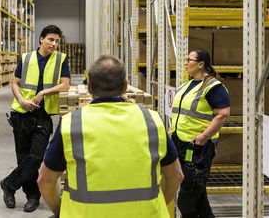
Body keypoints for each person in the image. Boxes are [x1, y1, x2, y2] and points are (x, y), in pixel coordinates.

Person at [37, 55, 184, 218]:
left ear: (89, 88)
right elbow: (176, 176)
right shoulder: (152, 121)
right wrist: (158, 206)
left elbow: (45, 181)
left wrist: (60, 211)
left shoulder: (71, 124)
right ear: (126, 86)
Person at [0, 25, 70, 212]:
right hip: (21, 114)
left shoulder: (61, 59)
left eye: (57, 41)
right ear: (41, 39)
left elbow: (65, 85)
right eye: (50, 40)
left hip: (43, 115)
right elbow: (15, 84)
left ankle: (9, 184)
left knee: (36, 157)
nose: (54, 44)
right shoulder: (26, 58)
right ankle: (32, 196)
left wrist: (43, 93)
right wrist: (22, 100)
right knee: (23, 157)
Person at [171, 49, 230, 218]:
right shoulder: (186, 85)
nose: (185, 63)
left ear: (201, 64)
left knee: (187, 197)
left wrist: (203, 137)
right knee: (198, 196)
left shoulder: (213, 87)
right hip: (180, 143)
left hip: (197, 147)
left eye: (189, 60)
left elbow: (222, 114)